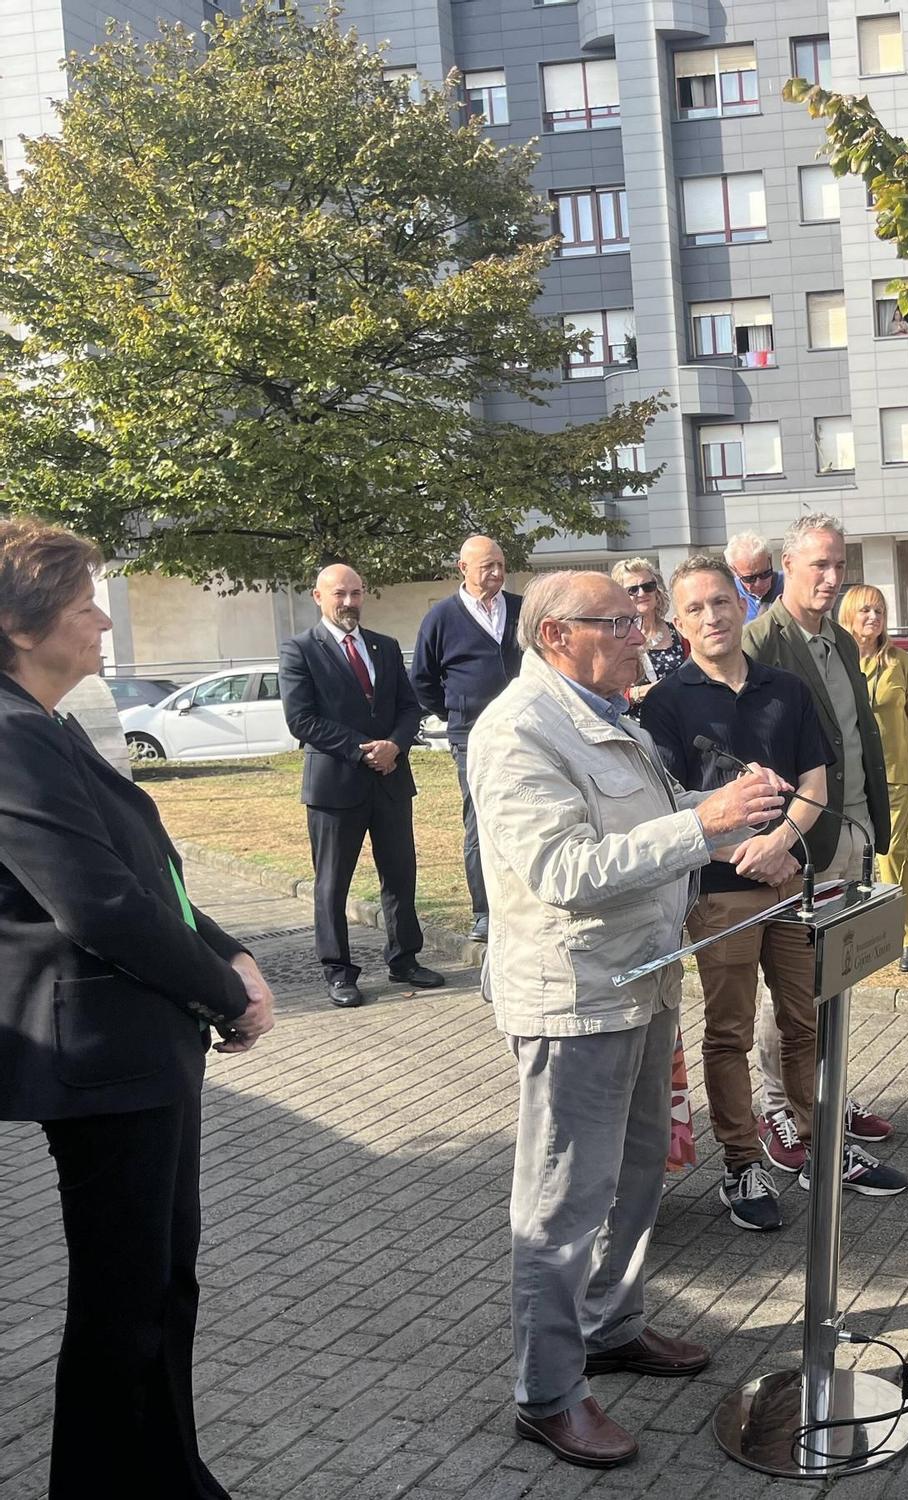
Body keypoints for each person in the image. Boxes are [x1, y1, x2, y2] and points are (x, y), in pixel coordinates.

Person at [470, 570, 787, 1469]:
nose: (643, 630)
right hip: (573, 999)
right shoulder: (520, 730)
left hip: (640, 981)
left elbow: (641, 821)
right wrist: (704, 827)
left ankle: (612, 1327)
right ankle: (547, 1393)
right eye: (620, 620)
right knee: (563, 1202)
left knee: (641, 1169)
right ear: (558, 636)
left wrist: (724, 816)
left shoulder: (609, 712)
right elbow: (564, 869)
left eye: (637, 614)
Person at [0, 517, 276, 1500]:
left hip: (144, 1045)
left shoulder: (49, 724)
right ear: (22, 627)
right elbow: (101, 904)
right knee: (123, 1306)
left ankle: (167, 1472)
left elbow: (143, 876)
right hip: (105, 1056)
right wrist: (223, 994)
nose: (107, 621)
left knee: (163, 1284)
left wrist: (228, 949)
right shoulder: (10, 735)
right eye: (84, 606)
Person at [644, 558, 908, 1231]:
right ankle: (741, 1164)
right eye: (696, 608)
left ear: (741, 606)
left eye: (721, 603)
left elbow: (816, 782)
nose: (712, 617)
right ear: (678, 622)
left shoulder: (785, 689)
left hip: (792, 885)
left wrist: (783, 839)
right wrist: (741, 851)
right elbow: (672, 809)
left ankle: (822, 1149)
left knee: (805, 1023)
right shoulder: (670, 702)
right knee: (727, 1034)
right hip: (722, 894)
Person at [744, 512, 896, 1151]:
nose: (832, 578)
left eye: (840, 565)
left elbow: (854, 736)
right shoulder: (760, 642)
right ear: (788, 567)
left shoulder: (837, 638)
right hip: (798, 842)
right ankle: (779, 1102)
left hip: (852, 834)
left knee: (834, 979)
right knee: (794, 986)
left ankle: (824, 1092)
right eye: (819, 566)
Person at [279, 563, 442, 1007]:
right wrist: (362, 749)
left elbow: (410, 707)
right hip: (335, 786)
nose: (349, 602)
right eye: (339, 594)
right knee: (332, 883)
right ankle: (338, 971)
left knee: (400, 875)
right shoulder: (299, 650)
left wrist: (395, 745)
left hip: (390, 781)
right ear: (318, 597)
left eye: (356, 592)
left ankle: (404, 959)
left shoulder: (385, 647)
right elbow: (301, 719)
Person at [411, 534, 524, 942]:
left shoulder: (520, 609)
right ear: (463, 569)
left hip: (525, 730)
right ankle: (484, 911)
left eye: (500, 565)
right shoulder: (441, 617)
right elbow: (422, 679)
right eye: (486, 567)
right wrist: (453, 711)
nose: (496, 574)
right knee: (479, 821)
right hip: (471, 736)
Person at [842, 582, 908, 971]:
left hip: (894, 771)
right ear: (849, 615)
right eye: (865, 611)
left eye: (879, 611)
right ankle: (862, 932)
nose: (873, 617)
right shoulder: (838, 659)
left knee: (892, 853)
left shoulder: (899, 661)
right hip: (850, 775)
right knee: (854, 856)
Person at [611, 556, 686, 706]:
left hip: (678, 721)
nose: (642, 593)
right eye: (632, 590)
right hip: (636, 724)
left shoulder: (678, 631)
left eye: (648, 586)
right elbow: (606, 693)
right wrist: (644, 691)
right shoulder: (615, 638)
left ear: (656, 590)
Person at [726, 531, 783, 621]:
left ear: (770, 560)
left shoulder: (791, 584)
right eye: (750, 578)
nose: (759, 583)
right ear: (733, 570)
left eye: (765, 573)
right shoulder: (728, 596)